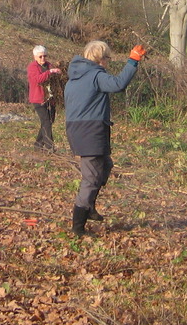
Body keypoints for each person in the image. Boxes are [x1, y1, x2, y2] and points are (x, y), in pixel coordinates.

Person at [63, 39, 147, 236]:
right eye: (107, 58)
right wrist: (133, 61)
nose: (108, 62)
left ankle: (89, 206)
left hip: (79, 129)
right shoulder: (95, 75)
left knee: (105, 165)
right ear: (100, 59)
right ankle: (78, 227)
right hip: (89, 130)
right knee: (91, 178)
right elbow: (118, 84)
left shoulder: (74, 77)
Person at [27, 45, 61, 151]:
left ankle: (37, 145)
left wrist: (57, 72)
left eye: (44, 56)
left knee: (49, 121)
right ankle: (50, 147)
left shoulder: (49, 65)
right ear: (35, 57)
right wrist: (49, 73)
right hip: (38, 99)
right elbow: (37, 80)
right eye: (40, 56)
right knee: (46, 121)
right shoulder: (32, 67)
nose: (43, 59)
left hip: (50, 99)